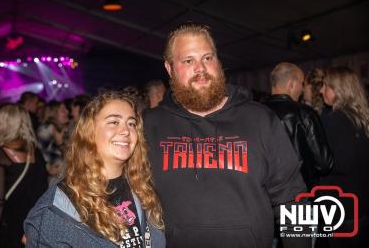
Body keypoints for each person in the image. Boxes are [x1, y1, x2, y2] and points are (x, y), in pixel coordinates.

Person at [143, 22, 309, 248]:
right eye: (188, 61)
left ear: (218, 62)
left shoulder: (260, 119)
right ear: (170, 69)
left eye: (207, 58)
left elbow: (294, 198)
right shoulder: (149, 125)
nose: (200, 68)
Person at [24, 91, 165, 248]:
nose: (126, 131)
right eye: (114, 122)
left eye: (131, 123)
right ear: (90, 132)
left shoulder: (144, 189)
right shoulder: (55, 209)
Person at [318, 66, 369, 247]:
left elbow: (341, 162)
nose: (321, 90)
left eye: (326, 86)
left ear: (340, 89)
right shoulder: (361, 118)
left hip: (341, 209)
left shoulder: (335, 119)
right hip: (359, 205)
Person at [0, 104, 48, 248]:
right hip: (33, 224)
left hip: (9, 224)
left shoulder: (0, 154)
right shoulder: (36, 153)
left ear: (4, 124)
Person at [265, 62, 333, 190]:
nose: (302, 89)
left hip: (266, 198)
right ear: (292, 84)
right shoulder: (304, 113)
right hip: (300, 195)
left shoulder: (255, 112)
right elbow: (324, 163)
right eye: (302, 84)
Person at [37, 101, 69, 184]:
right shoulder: (45, 130)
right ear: (53, 113)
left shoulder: (64, 129)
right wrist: (47, 167)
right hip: (54, 181)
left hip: (64, 177)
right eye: (62, 110)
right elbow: (40, 154)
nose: (67, 112)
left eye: (66, 109)